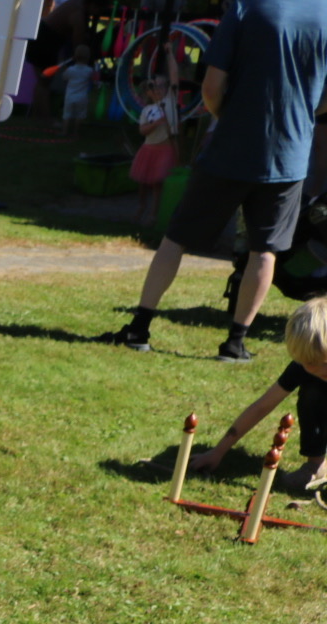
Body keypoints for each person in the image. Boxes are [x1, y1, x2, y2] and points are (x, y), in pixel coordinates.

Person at [100, 0, 327, 363]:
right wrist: (299, 116)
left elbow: (211, 86)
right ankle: (235, 344)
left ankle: (139, 328)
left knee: (177, 237)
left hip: (231, 150)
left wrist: (229, 118)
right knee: (264, 250)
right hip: (289, 155)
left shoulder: (246, 8)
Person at [190, 296, 327, 493]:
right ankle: (316, 464)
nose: (317, 370)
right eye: (308, 364)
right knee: (312, 392)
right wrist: (218, 452)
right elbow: (262, 406)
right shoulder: (304, 369)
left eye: (324, 364)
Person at [130, 73, 180, 229]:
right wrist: (157, 123)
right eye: (153, 86)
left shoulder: (170, 102)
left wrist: (169, 52)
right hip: (148, 149)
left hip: (164, 149)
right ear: (148, 92)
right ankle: (141, 206)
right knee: (143, 181)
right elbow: (142, 130)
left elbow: (174, 75)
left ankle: (153, 214)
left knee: (158, 183)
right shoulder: (147, 110)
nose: (157, 89)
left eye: (160, 85)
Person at [55, 43, 94, 137]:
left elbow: (64, 78)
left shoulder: (71, 69)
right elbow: (92, 80)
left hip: (70, 96)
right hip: (82, 97)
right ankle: (75, 132)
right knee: (79, 115)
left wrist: (65, 69)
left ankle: (64, 132)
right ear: (88, 57)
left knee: (67, 114)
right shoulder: (89, 70)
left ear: (75, 56)